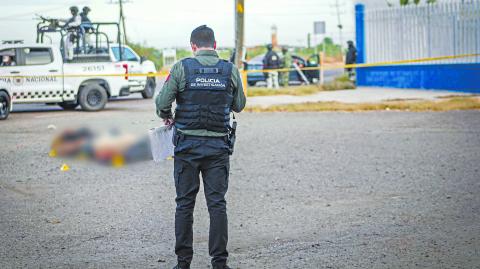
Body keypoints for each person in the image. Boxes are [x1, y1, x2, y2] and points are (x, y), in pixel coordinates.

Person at [155, 25, 246, 269]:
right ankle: (219, 262)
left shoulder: (181, 67)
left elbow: (162, 102)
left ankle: (183, 263)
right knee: (217, 204)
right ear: (215, 45)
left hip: (187, 148)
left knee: (184, 204)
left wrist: (166, 115)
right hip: (217, 148)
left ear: (193, 46)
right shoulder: (230, 70)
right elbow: (239, 105)